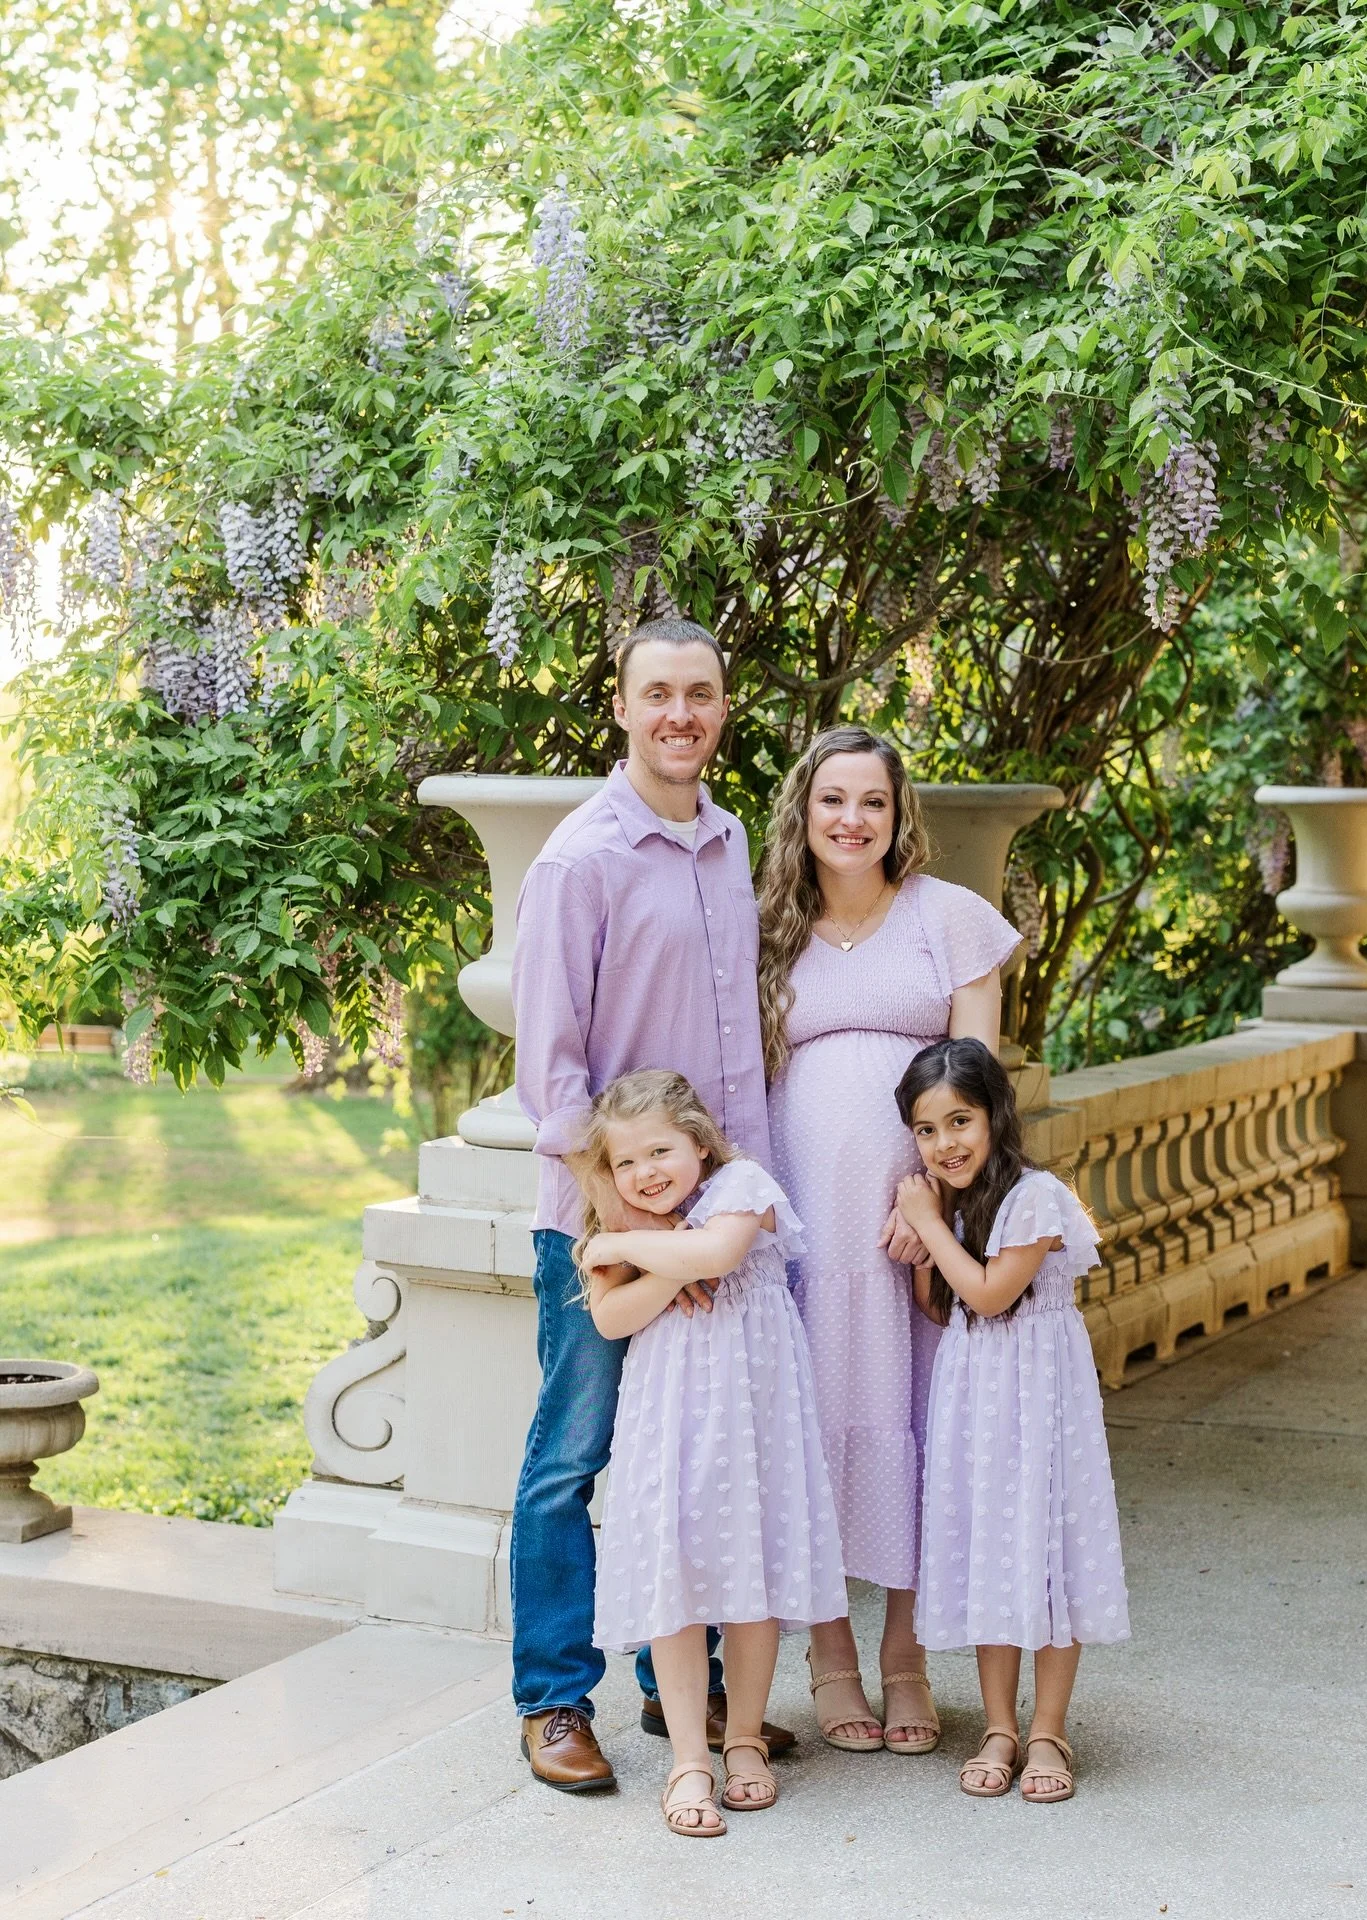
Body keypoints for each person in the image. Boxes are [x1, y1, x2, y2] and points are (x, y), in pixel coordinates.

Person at [510, 616, 793, 1792]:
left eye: (703, 693)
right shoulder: (579, 860)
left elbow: (737, 1069)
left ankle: (685, 1699)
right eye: (658, 693)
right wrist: (633, 1231)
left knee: (701, 1458)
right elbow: (553, 1079)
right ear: (620, 708)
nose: (681, 713)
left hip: (715, 1219)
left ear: (724, 707)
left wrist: (736, 1217)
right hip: (605, 1225)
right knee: (574, 1459)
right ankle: (554, 1697)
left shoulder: (730, 845)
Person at [760, 726, 1021, 1754]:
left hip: (914, 1232)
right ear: (805, 811)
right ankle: (831, 1659)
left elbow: (977, 1087)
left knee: (922, 1428)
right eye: (833, 801)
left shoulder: (951, 921)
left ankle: (906, 1658)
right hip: (803, 1230)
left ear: (897, 812)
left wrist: (936, 1205)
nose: (851, 821)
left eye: (871, 801)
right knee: (814, 1425)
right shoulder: (769, 930)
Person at [577, 1070, 846, 1837]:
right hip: (671, 1419)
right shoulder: (640, 1217)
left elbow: (722, 1256)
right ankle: (689, 1756)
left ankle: (747, 1741)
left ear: (697, 1141)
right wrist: (666, 1262)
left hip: (754, 1417)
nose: (645, 1173)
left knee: (750, 1578)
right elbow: (610, 1317)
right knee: (677, 1572)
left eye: (660, 1150)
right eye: (626, 1163)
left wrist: (627, 1244)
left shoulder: (744, 1184)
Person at [894, 1037, 1130, 1804]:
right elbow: (946, 1305)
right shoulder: (953, 1202)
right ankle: (1000, 1726)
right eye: (926, 1131)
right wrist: (929, 1239)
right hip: (976, 1397)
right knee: (995, 1549)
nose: (944, 1144)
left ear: (995, 1114)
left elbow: (993, 1294)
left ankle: (1050, 1730)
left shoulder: (1036, 1195)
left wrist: (926, 1223)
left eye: (958, 1121)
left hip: (1041, 1397)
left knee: (1049, 1549)